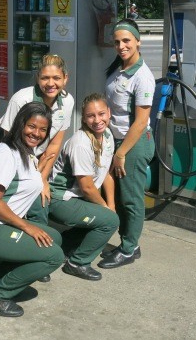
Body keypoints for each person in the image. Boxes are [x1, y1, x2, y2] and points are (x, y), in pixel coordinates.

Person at [0, 102, 65, 317]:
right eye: (31, 126)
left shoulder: (27, 153)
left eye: (43, 129)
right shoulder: (6, 152)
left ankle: (1, 274)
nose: (36, 133)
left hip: (0, 224)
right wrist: (28, 227)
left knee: (54, 237)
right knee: (53, 256)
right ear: (20, 124)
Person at [0, 54, 74, 226]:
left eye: (56, 78)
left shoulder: (68, 101)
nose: (50, 83)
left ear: (65, 79)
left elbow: (54, 145)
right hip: (8, 151)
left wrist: (42, 179)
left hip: (34, 155)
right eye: (45, 78)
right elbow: (9, 142)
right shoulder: (22, 99)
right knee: (4, 201)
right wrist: (31, 173)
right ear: (37, 78)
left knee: (38, 198)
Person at [97, 18, 155, 269]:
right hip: (115, 142)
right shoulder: (118, 68)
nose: (121, 46)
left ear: (138, 42)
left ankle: (130, 248)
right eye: (117, 42)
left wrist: (121, 153)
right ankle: (127, 241)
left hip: (132, 144)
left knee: (131, 199)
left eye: (127, 41)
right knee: (118, 196)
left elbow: (140, 122)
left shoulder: (142, 76)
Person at [48, 93, 119, 281]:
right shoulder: (81, 143)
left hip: (78, 198)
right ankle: (78, 263)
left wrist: (110, 205)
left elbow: (106, 175)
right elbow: (87, 187)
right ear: (84, 118)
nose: (97, 120)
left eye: (101, 114)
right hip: (60, 199)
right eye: (91, 116)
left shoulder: (108, 136)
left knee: (106, 215)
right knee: (110, 221)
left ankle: (66, 248)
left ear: (109, 113)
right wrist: (106, 211)